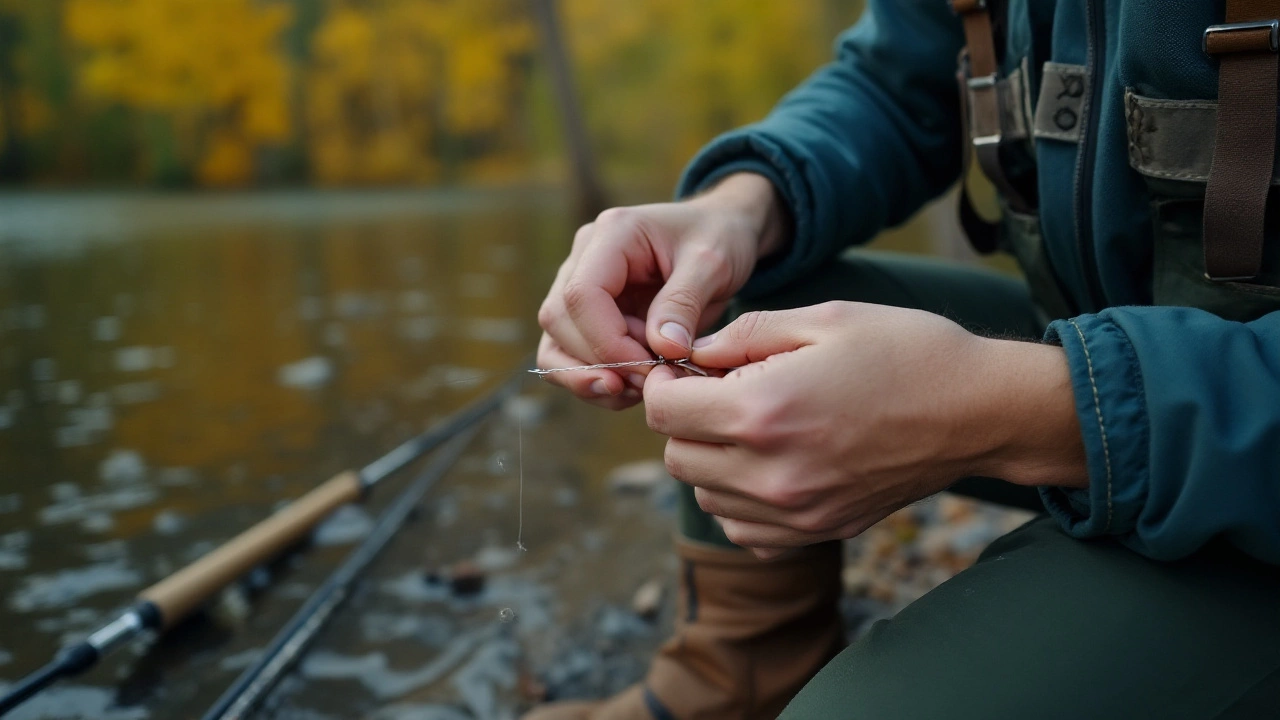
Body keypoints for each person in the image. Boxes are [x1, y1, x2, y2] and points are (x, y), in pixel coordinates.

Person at [525, 0, 1280, 718]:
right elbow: (893, 84)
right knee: (761, 278)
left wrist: (1002, 409)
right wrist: (737, 210)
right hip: (1087, 337)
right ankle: (739, 673)